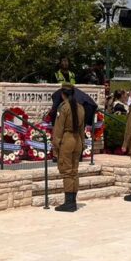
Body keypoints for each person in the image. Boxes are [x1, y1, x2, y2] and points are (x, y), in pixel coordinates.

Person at [52, 84, 85, 212]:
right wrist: (82, 144)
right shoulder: (80, 107)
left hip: (67, 140)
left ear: (62, 94)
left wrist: (55, 146)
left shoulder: (63, 107)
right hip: (77, 140)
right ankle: (73, 201)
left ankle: (69, 203)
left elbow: (58, 128)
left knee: (67, 172)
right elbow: (82, 129)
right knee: (74, 172)